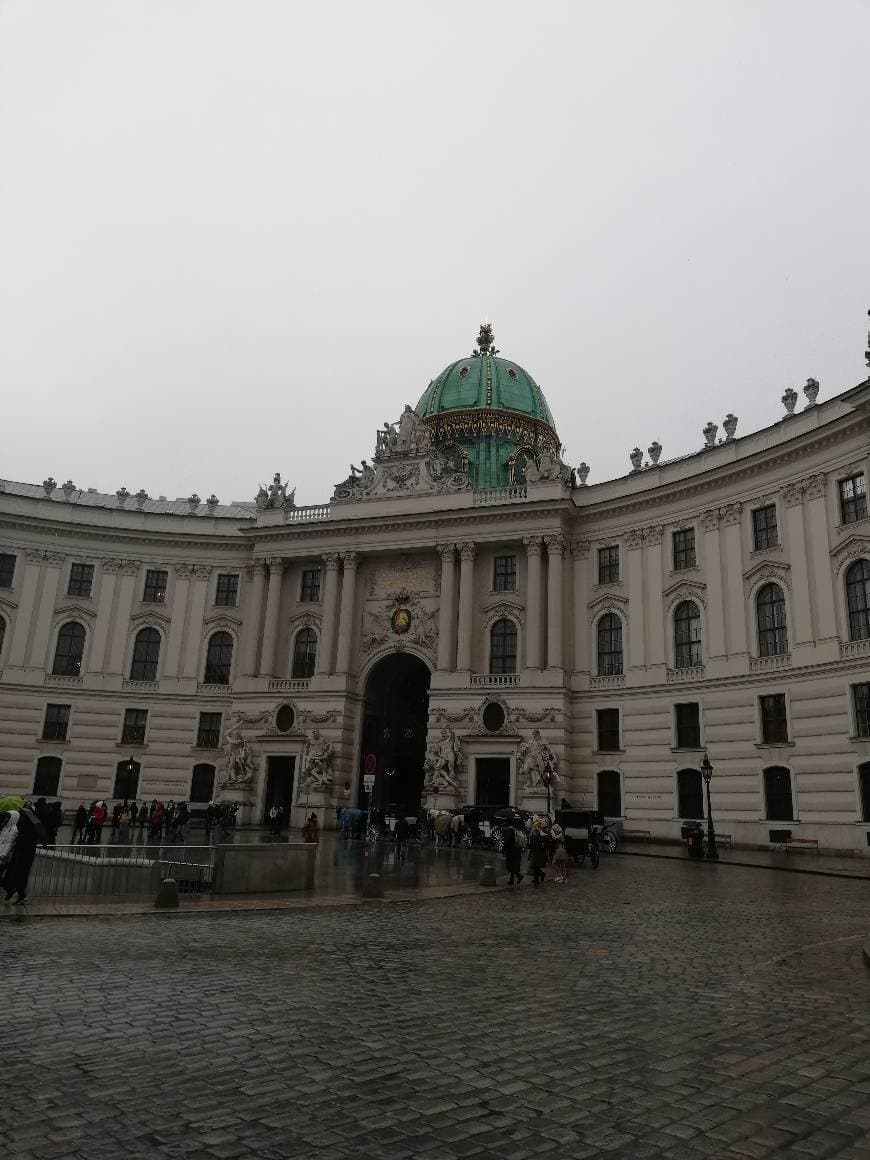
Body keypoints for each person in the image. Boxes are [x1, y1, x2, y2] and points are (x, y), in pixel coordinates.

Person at [528, 820, 548, 887]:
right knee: (536, 866)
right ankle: (536, 878)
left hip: (535, 852)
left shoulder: (534, 833)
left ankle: (539, 876)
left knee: (535, 866)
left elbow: (532, 844)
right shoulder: (541, 833)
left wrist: (530, 851)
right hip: (540, 851)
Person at [503, 823, 524, 887]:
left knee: (511, 865)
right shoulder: (515, 831)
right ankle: (511, 880)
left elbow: (507, 841)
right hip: (517, 850)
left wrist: (503, 848)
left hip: (511, 851)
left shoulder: (508, 831)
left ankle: (519, 875)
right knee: (514, 864)